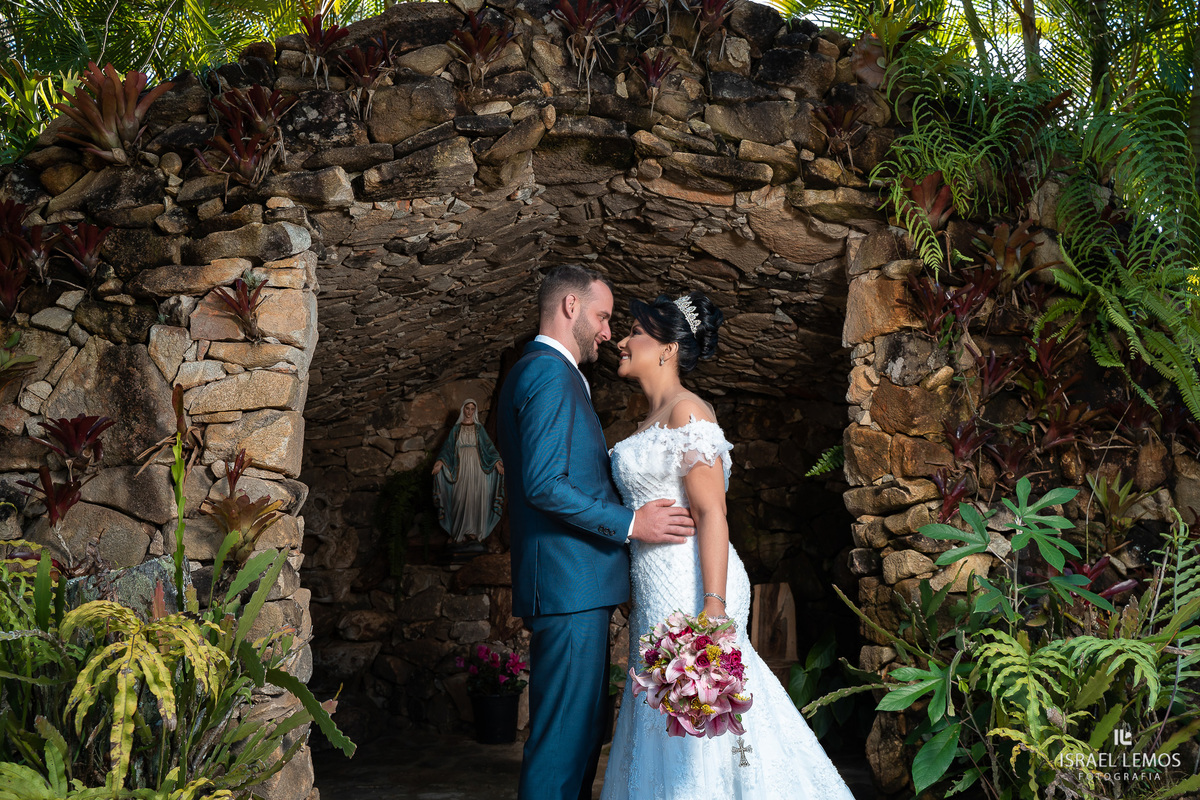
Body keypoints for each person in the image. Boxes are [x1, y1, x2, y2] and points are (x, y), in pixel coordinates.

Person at [600, 291, 857, 800]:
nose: (622, 341)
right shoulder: (649, 420)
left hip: (695, 585)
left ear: (668, 349)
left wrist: (713, 610)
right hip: (656, 591)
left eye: (635, 333)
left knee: (701, 712)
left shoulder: (688, 410)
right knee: (663, 708)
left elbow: (712, 511)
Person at [496, 265, 697, 800]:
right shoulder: (546, 373)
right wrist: (633, 522)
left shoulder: (544, 373)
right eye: (603, 316)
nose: (608, 332)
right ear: (569, 308)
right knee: (563, 742)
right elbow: (544, 484)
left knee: (581, 735)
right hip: (568, 586)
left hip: (573, 585)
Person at [432, 399, 505, 544]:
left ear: (475, 411)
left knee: (476, 497)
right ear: (463, 409)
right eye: (467, 408)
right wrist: (440, 462)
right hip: (460, 467)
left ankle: (473, 531)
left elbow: (488, 448)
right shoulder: (456, 429)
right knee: (459, 497)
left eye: (472, 409)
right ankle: (459, 530)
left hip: (477, 467)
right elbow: (447, 448)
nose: (469, 411)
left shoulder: (479, 429)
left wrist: (497, 462)